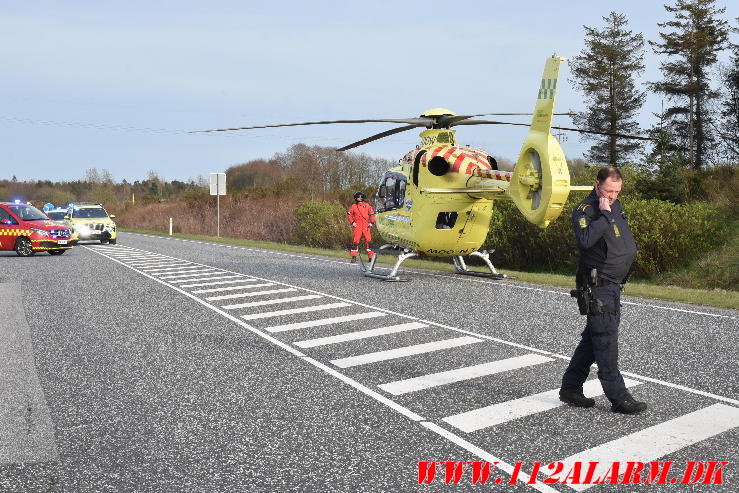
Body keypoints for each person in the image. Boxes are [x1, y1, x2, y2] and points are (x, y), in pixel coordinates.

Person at [559, 166, 647, 415]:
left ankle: (570, 388)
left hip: (613, 285)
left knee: (593, 339)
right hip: (597, 287)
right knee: (606, 340)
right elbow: (585, 241)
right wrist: (605, 215)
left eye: (617, 192)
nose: (612, 196)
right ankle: (619, 398)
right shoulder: (585, 210)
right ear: (597, 185)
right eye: (608, 191)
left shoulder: (616, 205)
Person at [347, 191, 375, 263]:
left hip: (366, 225)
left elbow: (372, 214)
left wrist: (371, 222)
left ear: (363, 197)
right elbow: (349, 215)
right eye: (358, 197)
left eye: (361, 197)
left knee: (368, 241)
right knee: (355, 241)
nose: (360, 198)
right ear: (356, 198)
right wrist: (352, 222)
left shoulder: (367, 205)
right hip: (358, 225)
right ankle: (353, 257)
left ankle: (371, 257)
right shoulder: (353, 206)